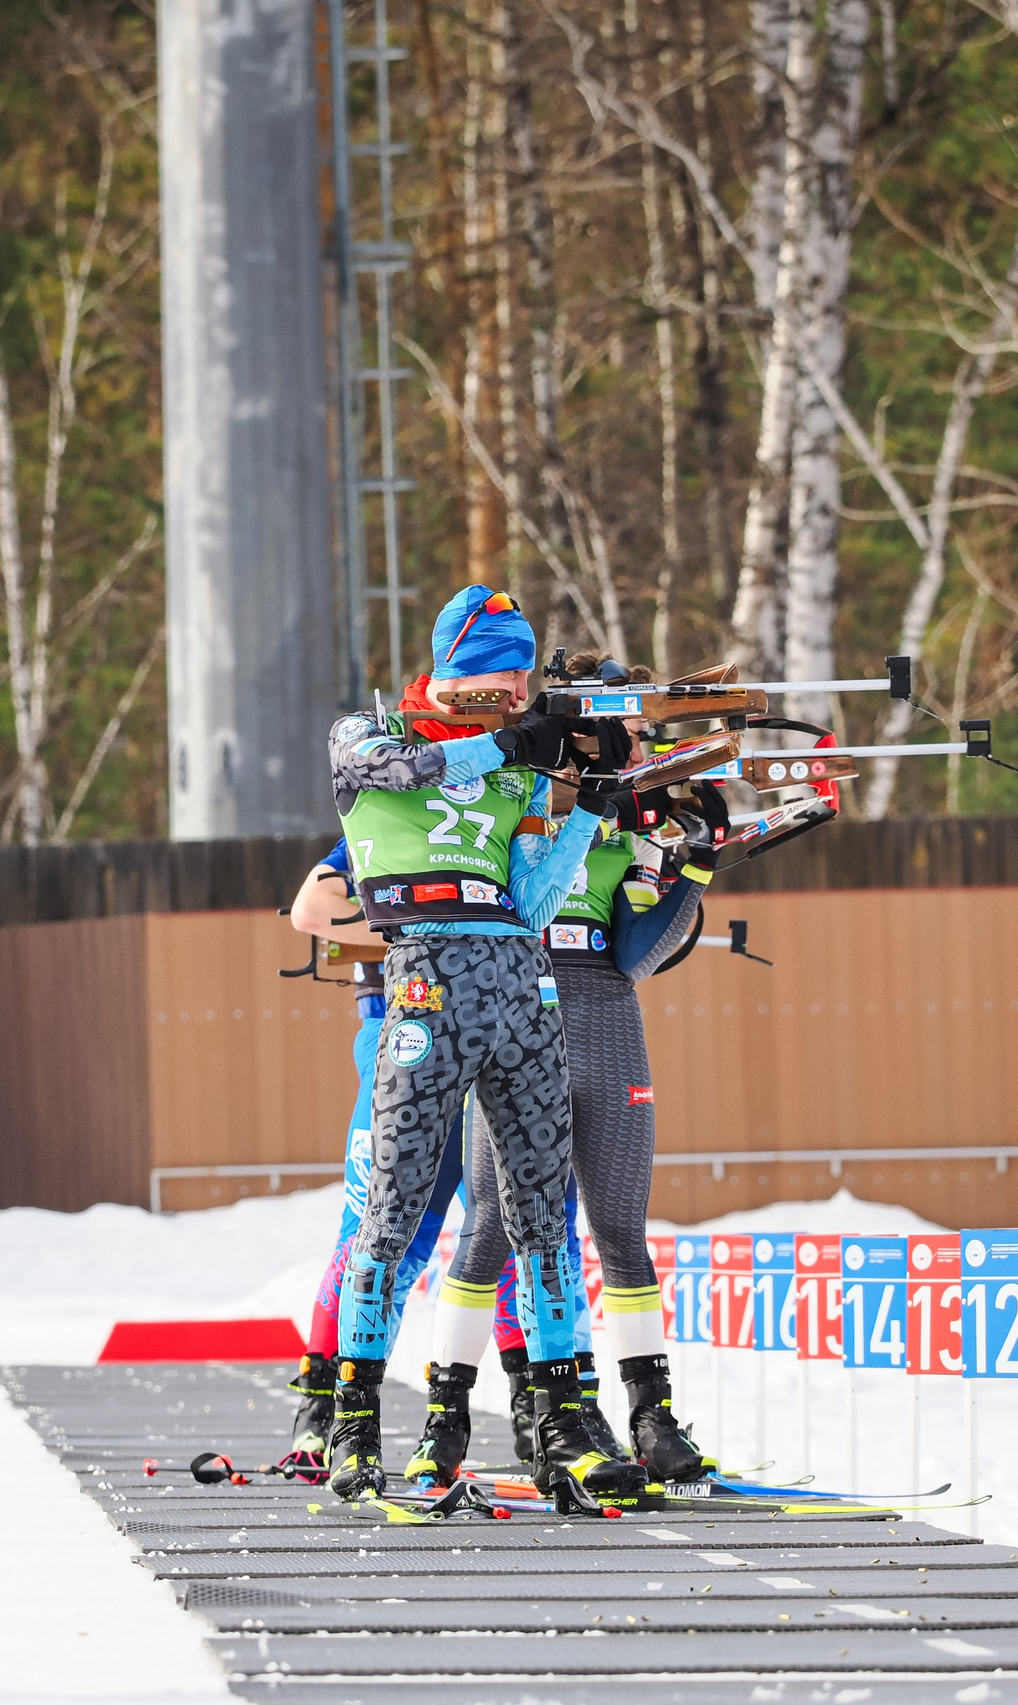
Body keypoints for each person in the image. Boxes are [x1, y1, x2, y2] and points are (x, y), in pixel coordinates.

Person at [324, 585, 644, 1507]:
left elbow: (532, 902)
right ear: (461, 663)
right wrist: (510, 742)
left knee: (545, 1217)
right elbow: (399, 774)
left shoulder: (514, 773)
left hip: (522, 990)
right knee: (393, 1209)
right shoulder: (364, 733)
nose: (515, 686)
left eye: (521, 674)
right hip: (426, 985)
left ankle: (561, 1417)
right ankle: (353, 1423)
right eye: (503, 669)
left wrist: (590, 801)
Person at [410, 744, 724, 1488]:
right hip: (519, 1018)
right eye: (609, 751)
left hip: (609, 1027)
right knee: (490, 1227)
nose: (627, 764)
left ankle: (653, 1418)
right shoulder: (511, 805)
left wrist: (700, 861)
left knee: (620, 1229)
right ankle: (444, 1419)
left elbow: (638, 954)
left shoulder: (628, 839)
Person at [282, 840, 463, 1462]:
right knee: (373, 1225)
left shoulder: (498, 806)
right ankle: (323, 1399)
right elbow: (311, 907)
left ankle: (533, 1408)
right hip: (396, 1029)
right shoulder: (376, 821)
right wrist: (418, 927)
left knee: (501, 1226)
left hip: (487, 1033)